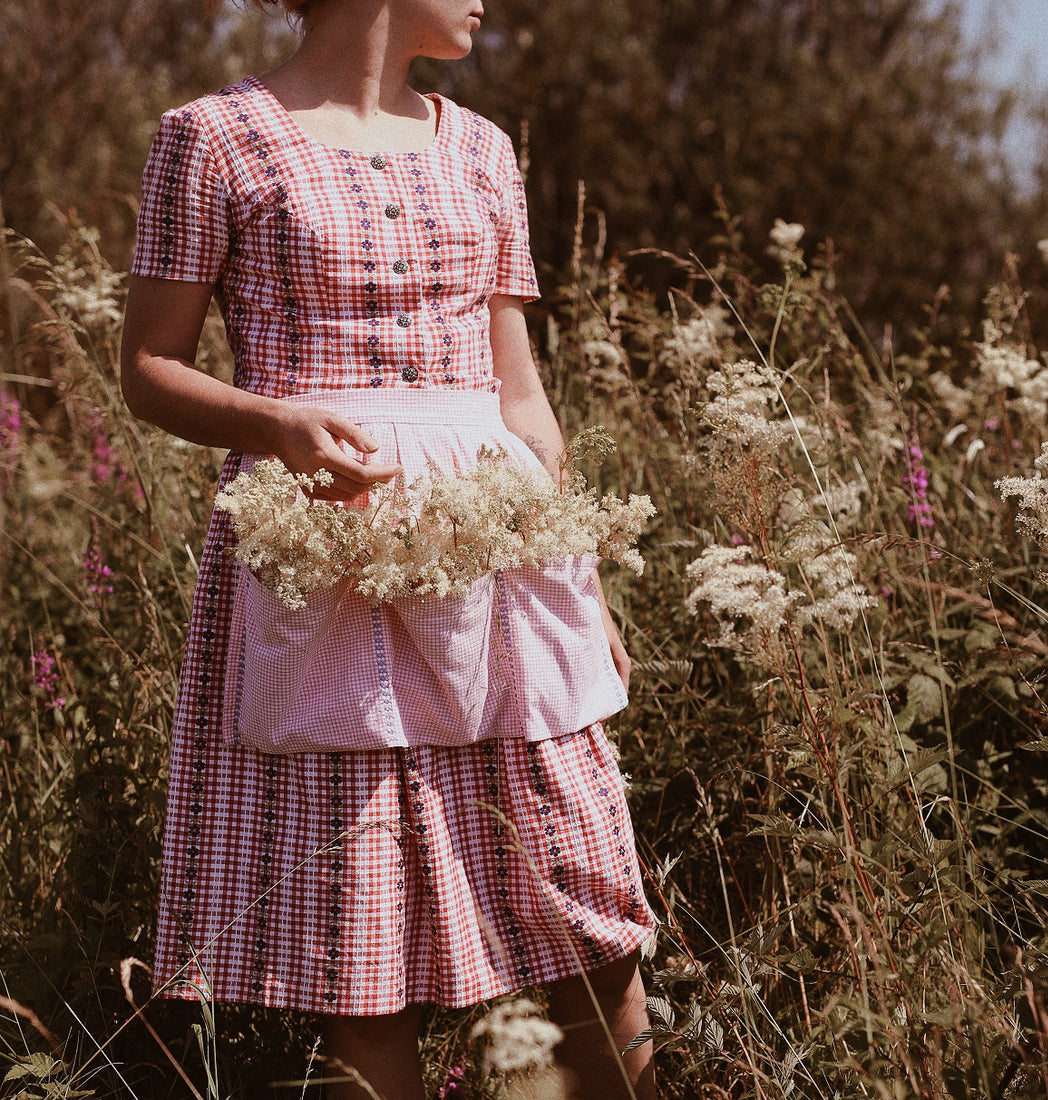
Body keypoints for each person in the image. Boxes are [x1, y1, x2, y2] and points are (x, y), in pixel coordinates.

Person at [120, 1, 657, 1098]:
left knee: (592, 915)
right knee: (358, 947)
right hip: (327, 554)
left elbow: (521, 397)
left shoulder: (481, 148)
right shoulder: (213, 137)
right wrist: (273, 424)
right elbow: (147, 365)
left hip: (501, 556)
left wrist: (578, 576)